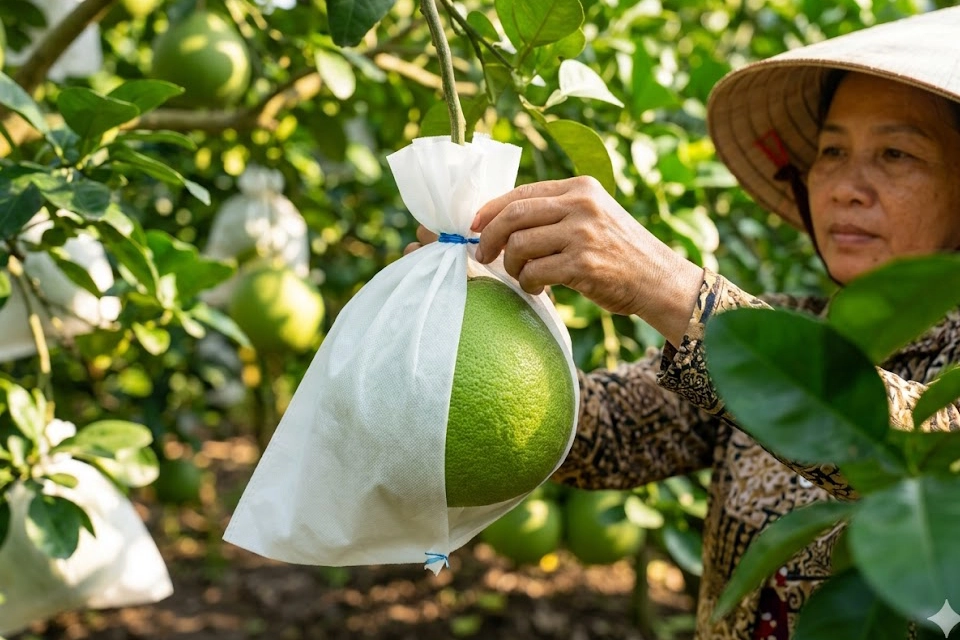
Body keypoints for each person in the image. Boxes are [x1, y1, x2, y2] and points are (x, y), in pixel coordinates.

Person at [405, 7, 960, 639]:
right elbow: (602, 433)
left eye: (896, 153)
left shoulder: (766, 346)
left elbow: (931, 456)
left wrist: (667, 285)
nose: (845, 186)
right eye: (832, 150)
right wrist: (484, 324)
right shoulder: (786, 326)